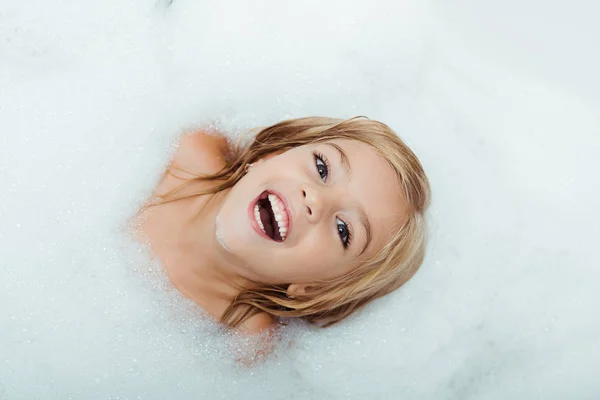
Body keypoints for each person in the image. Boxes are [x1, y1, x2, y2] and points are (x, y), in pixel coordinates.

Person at [134, 116, 430, 334]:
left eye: (343, 230)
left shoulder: (240, 343)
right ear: (269, 157)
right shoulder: (184, 150)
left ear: (313, 288)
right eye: (322, 167)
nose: (315, 199)